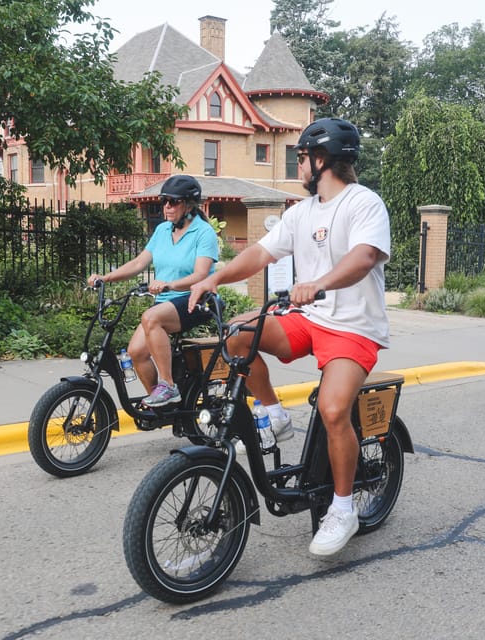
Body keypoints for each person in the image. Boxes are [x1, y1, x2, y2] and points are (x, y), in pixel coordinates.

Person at [188, 117, 392, 557]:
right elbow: (260, 254)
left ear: (322, 160)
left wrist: (319, 283)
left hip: (354, 327)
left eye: (301, 157)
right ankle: (274, 414)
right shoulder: (300, 213)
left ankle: (342, 508)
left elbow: (364, 256)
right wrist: (214, 279)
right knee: (239, 335)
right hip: (310, 318)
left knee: (334, 409)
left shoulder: (364, 203)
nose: (297, 164)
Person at [87, 175, 219, 407]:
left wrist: (169, 285)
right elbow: (139, 263)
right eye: (164, 201)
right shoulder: (162, 231)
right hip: (167, 303)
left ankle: (168, 386)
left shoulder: (203, 232)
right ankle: (164, 406)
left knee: (150, 317)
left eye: (173, 202)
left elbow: (200, 275)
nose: (166, 206)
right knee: (136, 352)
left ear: (189, 205)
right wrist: (104, 278)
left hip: (196, 299)